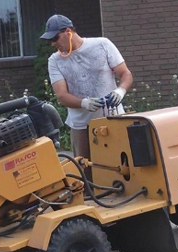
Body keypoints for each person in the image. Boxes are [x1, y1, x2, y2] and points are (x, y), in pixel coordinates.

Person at [40, 14, 133, 162]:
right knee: (84, 170)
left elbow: (125, 73)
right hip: (81, 126)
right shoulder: (54, 61)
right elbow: (62, 95)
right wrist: (84, 103)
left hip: (112, 118)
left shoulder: (102, 44)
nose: (53, 44)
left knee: (120, 165)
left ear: (68, 32)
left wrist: (120, 91)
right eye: (50, 41)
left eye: (55, 38)